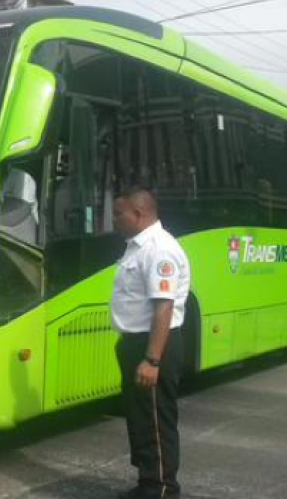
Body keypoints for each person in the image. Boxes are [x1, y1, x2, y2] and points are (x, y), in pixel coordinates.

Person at [111, 187, 191, 499]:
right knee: (142, 419)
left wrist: (152, 360)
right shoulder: (137, 247)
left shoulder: (159, 249)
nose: (114, 219)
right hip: (137, 344)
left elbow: (164, 306)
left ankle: (162, 490)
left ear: (140, 213)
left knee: (157, 421)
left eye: (119, 214)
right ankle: (148, 482)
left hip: (155, 346)